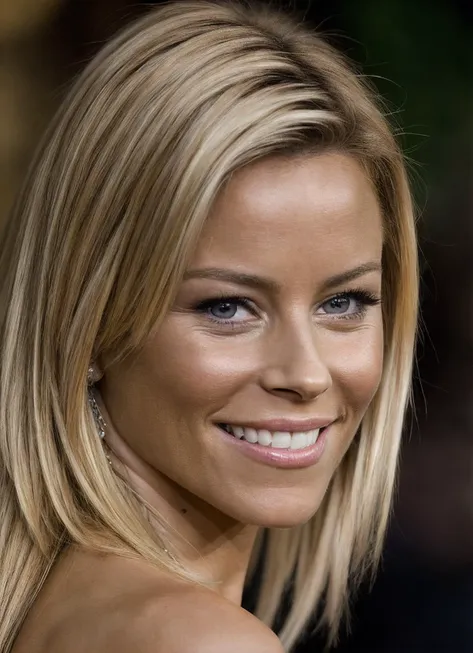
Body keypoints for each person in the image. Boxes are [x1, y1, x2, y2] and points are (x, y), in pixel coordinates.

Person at [0, 1, 418, 652]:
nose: (305, 373)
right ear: (86, 325)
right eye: (227, 307)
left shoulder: (64, 606)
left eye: (343, 302)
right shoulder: (204, 640)